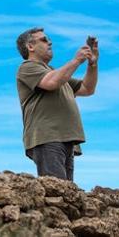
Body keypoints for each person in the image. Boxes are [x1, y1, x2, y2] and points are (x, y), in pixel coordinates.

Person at [15, 27, 99, 181]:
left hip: (65, 139)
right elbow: (51, 82)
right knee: (58, 192)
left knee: (66, 195)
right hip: (47, 137)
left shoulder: (58, 74)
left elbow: (87, 88)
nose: (50, 42)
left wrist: (92, 64)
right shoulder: (27, 67)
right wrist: (76, 60)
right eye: (44, 40)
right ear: (30, 47)